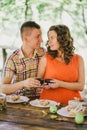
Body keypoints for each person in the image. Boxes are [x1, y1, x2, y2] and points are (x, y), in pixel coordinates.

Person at [37, 25, 85, 105]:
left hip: (73, 107)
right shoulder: (45, 59)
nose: (49, 41)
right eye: (49, 38)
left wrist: (60, 84)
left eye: (52, 38)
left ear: (62, 39)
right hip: (48, 105)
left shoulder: (79, 59)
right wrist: (42, 86)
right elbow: (39, 83)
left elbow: (81, 86)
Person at [1, 21, 45, 98]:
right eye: (37, 36)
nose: (42, 40)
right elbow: (2, 88)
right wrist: (23, 83)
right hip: (19, 102)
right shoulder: (13, 59)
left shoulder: (43, 53)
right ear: (26, 38)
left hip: (40, 101)